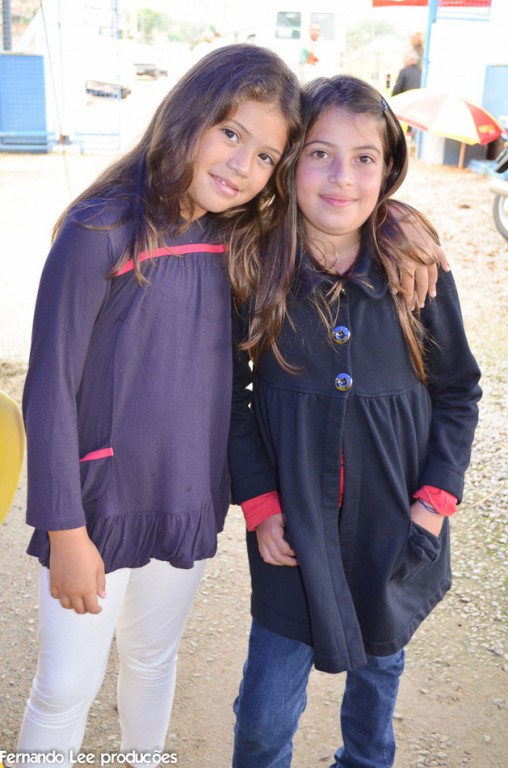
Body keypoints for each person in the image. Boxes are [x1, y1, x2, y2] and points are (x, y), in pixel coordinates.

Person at [14, 44, 302, 768]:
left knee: (152, 659)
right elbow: (48, 388)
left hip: (185, 498)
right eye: (231, 133)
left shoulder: (239, 241)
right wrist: (65, 530)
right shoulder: (101, 227)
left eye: (266, 156)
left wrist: (398, 227)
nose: (242, 164)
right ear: (188, 114)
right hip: (95, 507)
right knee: (65, 687)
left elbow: (341, 220)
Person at [228, 74, 482, 767]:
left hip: (393, 532)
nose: (342, 177)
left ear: (388, 169)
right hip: (291, 537)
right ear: (290, 162)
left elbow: (458, 390)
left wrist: (432, 506)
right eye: (320, 153)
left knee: (376, 694)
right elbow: (232, 398)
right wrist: (260, 503)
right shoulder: (255, 266)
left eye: (364, 157)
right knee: (264, 719)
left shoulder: (414, 269)